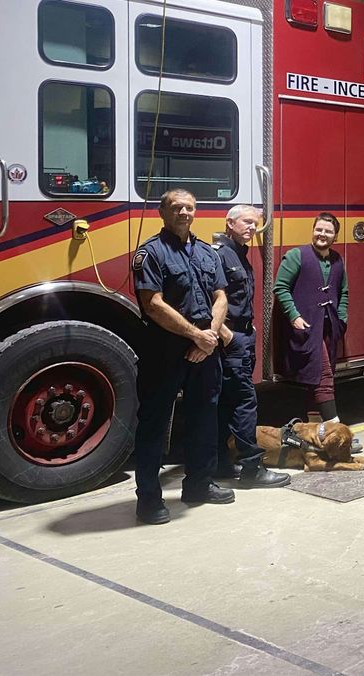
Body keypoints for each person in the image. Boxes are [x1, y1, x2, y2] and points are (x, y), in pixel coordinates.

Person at [131, 189, 231, 525]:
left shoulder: (206, 252)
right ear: (162, 212)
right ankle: (148, 499)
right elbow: (153, 304)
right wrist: (195, 336)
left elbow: (220, 297)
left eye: (189, 207)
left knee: (205, 417)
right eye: (176, 208)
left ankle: (199, 486)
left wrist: (210, 337)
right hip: (165, 349)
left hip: (205, 348)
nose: (184, 213)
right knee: (154, 423)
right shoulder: (151, 253)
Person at [212, 205, 289, 488]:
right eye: (246, 222)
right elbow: (210, 299)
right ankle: (251, 469)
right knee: (244, 403)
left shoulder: (239, 254)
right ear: (229, 223)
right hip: (232, 340)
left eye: (255, 224)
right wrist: (226, 334)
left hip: (241, 336)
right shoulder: (221, 255)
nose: (252, 228)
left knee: (226, 403)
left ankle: (221, 463)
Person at [274, 213, 350, 424]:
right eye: (319, 229)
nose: (322, 234)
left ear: (335, 236)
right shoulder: (296, 255)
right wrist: (294, 316)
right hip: (306, 328)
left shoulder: (337, 260)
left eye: (328, 231)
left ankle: (316, 431)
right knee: (323, 376)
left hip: (329, 328)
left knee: (314, 379)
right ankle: (336, 428)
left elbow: (344, 292)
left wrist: (341, 318)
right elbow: (280, 288)